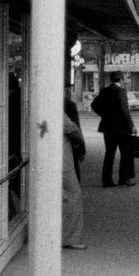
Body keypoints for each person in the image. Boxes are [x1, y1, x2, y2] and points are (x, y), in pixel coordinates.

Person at [91, 71, 137, 187]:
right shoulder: (121, 91)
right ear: (120, 79)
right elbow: (124, 110)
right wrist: (132, 126)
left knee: (109, 154)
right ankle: (123, 179)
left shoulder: (104, 91)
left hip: (108, 127)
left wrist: (104, 115)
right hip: (121, 128)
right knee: (125, 153)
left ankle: (107, 180)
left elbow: (94, 105)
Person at [62, 99, 87, 250]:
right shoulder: (53, 106)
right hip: (62, 158)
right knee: (73, 194)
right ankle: (71, 238)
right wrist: (79, 144)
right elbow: (72, 128)